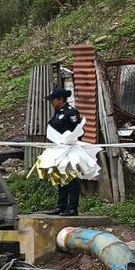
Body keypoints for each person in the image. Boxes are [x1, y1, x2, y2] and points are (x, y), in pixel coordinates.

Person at [44, 88, 84, 216]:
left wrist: (69, 143)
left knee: (72, 178)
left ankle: (73, 207)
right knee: (61, 176)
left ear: (60, 99)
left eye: (53, 100)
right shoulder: (58, 112)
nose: (51, 102)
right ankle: (61, 205)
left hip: (70, 149)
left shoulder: (71, 112)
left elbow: (77, 131)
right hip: (59, 149)